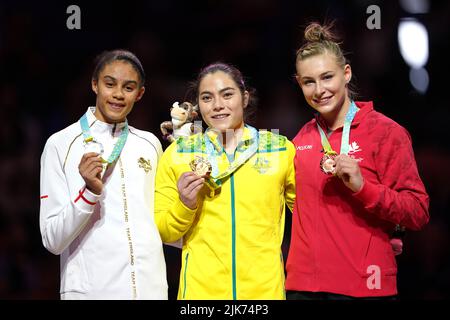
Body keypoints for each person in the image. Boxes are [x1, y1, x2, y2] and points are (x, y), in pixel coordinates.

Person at [285, 22, 430, 299]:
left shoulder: (386, 133)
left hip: (363, 286)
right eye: (308, 82)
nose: (319, 90)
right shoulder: (300, 139)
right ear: (299, 84)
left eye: (327, 77)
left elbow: (417, 211)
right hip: (303, 288)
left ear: (346, 73)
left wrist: (365, 187)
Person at [154, 62, 296, 299]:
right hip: (200, 296)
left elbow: (310, 216)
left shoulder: (278, 149)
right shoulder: (179, 154)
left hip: (264, 294)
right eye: (207, 98)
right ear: (198, 106)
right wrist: (185, 205)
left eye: (227, 95)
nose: (218, 105)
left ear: (245, 98)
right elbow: (163, 231)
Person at [39, 49, 168, 299]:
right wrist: (89, 193)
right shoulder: (61, 144)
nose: (118, 94)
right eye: (110, 84)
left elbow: (161, 224)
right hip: (92, 292)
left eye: (128, 88)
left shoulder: (150, 144)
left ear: (140, 94)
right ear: (95, 84)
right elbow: (52, 239)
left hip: (151, 290)